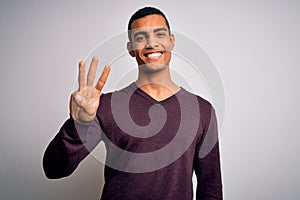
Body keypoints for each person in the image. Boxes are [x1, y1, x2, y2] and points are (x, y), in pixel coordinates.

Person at [43, 6, 223, 200]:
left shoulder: (202, 111)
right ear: (130, 48)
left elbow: (210, 187)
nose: (152, 43)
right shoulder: (104, 106)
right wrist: (79, 124)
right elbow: (54, 169)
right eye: (141, 37)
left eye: (159, 34)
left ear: (171, 41)